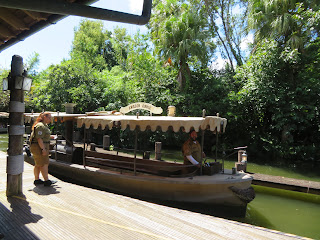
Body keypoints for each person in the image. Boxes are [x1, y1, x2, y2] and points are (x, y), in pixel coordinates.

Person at [30, 112, 55, 186]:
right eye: (49, 117)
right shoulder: (40, 126)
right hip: (39, 147)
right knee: (44, 163)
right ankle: (47, 181)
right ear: (44, 117)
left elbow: (41, 136)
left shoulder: (44, 125)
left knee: (38, 164)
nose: (50, 119)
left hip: (40, 146)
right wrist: (43, 149)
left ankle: (37, 179)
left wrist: (50, 137)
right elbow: (39, 138)